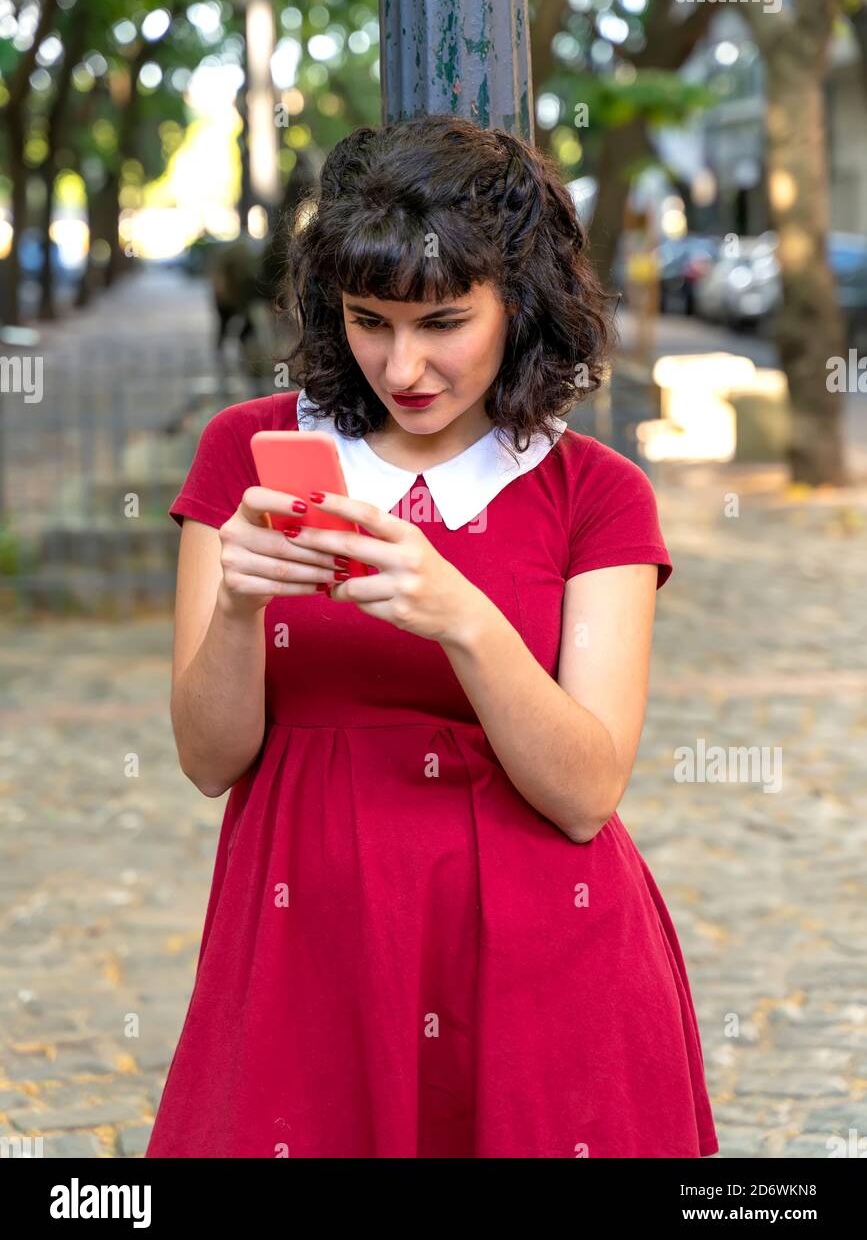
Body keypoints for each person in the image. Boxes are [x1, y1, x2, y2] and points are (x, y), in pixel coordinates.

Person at [145, 114, 718, 1159]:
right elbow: (208, 758)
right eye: (370, 320)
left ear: (520, 305)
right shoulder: (248, 455)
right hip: (305, 950)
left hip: (542, 961)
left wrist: (465, 618)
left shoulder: (596, 493)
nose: (401, 365)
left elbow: (587, 789)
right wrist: (236, 605)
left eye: (444, 321)